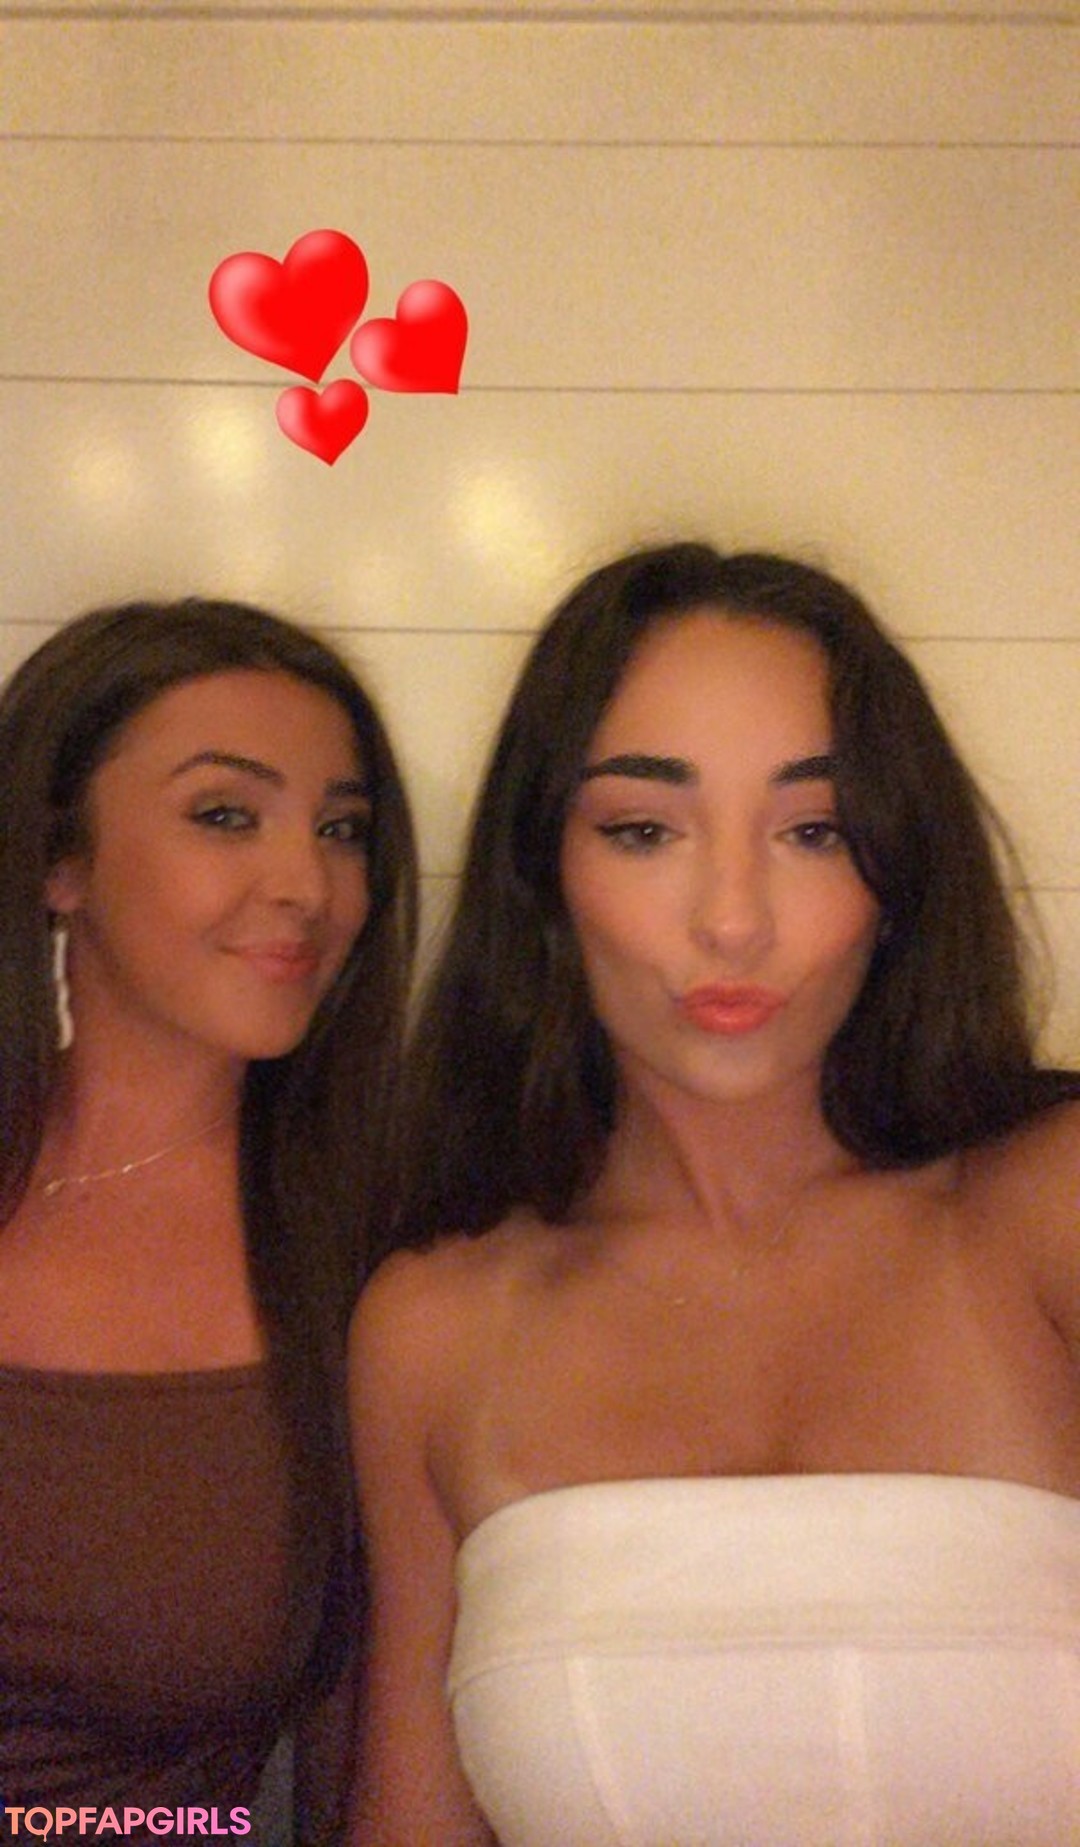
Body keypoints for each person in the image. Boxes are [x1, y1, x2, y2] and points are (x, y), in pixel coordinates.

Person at [347, 542, 1080, 1847]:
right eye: (644, 829)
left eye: (815, 830)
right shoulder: (437, 1323)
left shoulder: (1048, 1206)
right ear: (544, 872)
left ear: (898, 876)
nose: (733, 919)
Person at [0, 597, 416, 1843]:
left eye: (342, 829)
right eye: (227, 814)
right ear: (58, 860)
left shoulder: (377, 1259)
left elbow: (374, 1761)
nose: (306, 885)